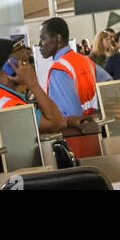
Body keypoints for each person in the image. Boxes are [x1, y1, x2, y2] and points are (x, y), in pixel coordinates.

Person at [0, 37, 63, 145]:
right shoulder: (11, 108)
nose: (29, 67)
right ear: (9, 67)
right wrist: (33, 83)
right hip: (13, 161)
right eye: (24, 62)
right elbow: (56, 123)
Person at [39, 17, 101, 158]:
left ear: (58, 38)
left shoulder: (59, 69)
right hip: (92, 137)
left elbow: (67, 117)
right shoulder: (85, 60)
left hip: (72, 144)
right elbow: (108, 82)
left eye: (43, 38)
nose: (40, 44)